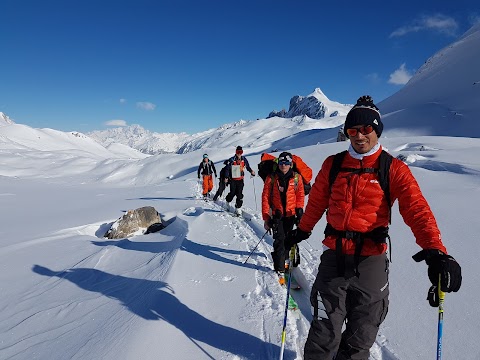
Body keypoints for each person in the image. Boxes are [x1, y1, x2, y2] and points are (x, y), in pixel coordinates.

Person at [286, 95, 462, 360]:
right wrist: (301, 231)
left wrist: (435, 250)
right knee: (324, 333)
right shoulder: (332, 165)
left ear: (377, 130)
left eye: (366, 128)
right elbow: (317, 202)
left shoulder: (393, 169)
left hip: (372, 262)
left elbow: (417, 209)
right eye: (353, 130)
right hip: (334, 258)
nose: (359, 135)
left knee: (362, 336)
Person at [261, 152, 305, 284]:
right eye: (281, 163)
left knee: (287, 239)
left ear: (291, 164)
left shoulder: (297, 178)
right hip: (277, 216)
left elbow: (300, 195)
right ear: (278, 163)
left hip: (291, 215)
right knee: (280, 239)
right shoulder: (271, 178)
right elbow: (265, 198)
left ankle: (283, 260)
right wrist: (266, 217)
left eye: (286, 163)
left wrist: (299, 210)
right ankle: (279, 268)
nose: (283, 165)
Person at [224, 146, 256, 214]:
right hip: (233, 180)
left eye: (240, 152)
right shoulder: (232, 160)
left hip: (240, 180)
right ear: (236, 152)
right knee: (232, 193)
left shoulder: (244, 159)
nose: (239, 153)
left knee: (239, 194)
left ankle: (238, 207)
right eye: (238, 152)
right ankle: (227, 202)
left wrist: (251, 171)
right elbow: (227, 169)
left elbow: (247, 167)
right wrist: (226, 177)